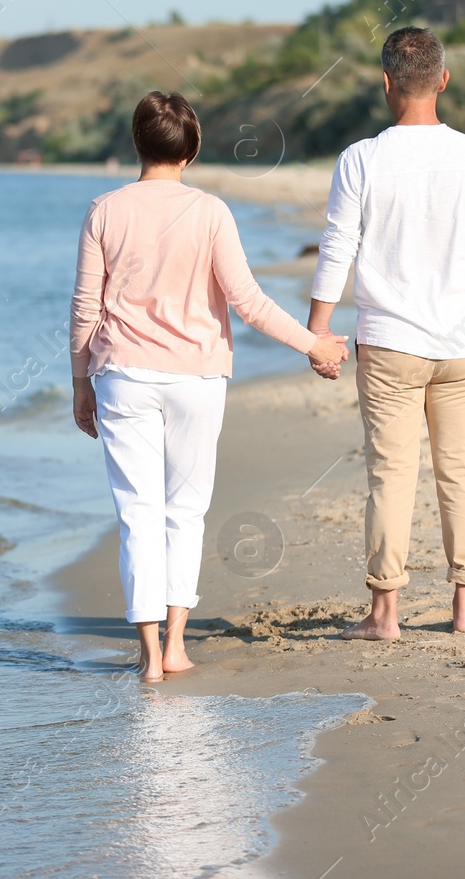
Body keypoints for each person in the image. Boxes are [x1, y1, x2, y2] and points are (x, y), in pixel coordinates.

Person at [70, 91, 350, 681]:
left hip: (123, 374)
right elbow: (247, 301)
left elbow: (83, 309)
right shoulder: (210, 212)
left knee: (137, 515)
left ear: (137, 143)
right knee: (185, 513)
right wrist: (315, 344)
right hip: (197, 376)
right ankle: (175, 646)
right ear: (191, 150)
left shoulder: (104, 210)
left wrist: (79, 383)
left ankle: (147, 658)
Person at [307, 26, 465, 640]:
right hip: (463, 342)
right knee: (462, 471)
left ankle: (385, 615)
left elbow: (337, 246)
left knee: (390, 475)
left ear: (385, 84)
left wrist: (319, 330)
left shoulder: (361, 159)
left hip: (389, 343)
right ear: (444, 80)